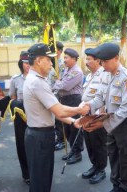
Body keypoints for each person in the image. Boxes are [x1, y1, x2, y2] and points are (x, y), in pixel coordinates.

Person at [23, 43, 89, 192]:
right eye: (48, 59)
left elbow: (52, 111)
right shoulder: (37, 82)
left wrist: (73, 121)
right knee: (41, 181)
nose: (51, 63)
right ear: (39, 61)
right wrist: (80, 110)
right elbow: (59, 111)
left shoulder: (36, 79)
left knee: (42, 178)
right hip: (40, 136)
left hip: (38, 134)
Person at [83, 43, 127, 192]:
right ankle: (116, 184)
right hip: (110, 119)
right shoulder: (105, 74)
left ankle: (124, 187)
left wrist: (103, 124)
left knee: (125, 157)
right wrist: (87, 107)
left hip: (125, 123)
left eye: (105, 61)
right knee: (113, 154)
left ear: (116, 58)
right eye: (101, 61)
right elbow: (99, 98)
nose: (102, 64)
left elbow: (125, 108)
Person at [81, 48, 109, 184]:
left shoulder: (104, 75)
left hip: (97, 117)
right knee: (90, 143)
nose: (86, 62)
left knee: (99, 145)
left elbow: (104, 98)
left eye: (89, 59)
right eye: (86, 59)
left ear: (98, 60)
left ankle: (101, 169)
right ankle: (94, 166)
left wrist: (99, 117)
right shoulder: (89, 75)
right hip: (87, 115)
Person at [53, 48, 84, 164]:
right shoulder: (67, 69)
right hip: (65, 100)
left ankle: (77, 153)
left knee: (75, 127)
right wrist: (58, 83)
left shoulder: (76, 72)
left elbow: (65, 86)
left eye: (66, 57)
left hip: (73, 101)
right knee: (67, 127)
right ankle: (72, 150)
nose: (64, 59)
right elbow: (60, 83)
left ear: (74, 59)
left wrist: (57, 83)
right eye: (64, 57)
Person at [9, 51, 30, 185]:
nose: (28, 65)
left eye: (29, 62)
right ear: (21, 64)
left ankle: (37, 171)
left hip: (36, 116)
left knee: (36, 146)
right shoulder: (15, 79)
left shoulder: (40, 78)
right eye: (25, 63)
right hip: (21, 119)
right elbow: (13, 98)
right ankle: (26, 174)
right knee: (22, 145)